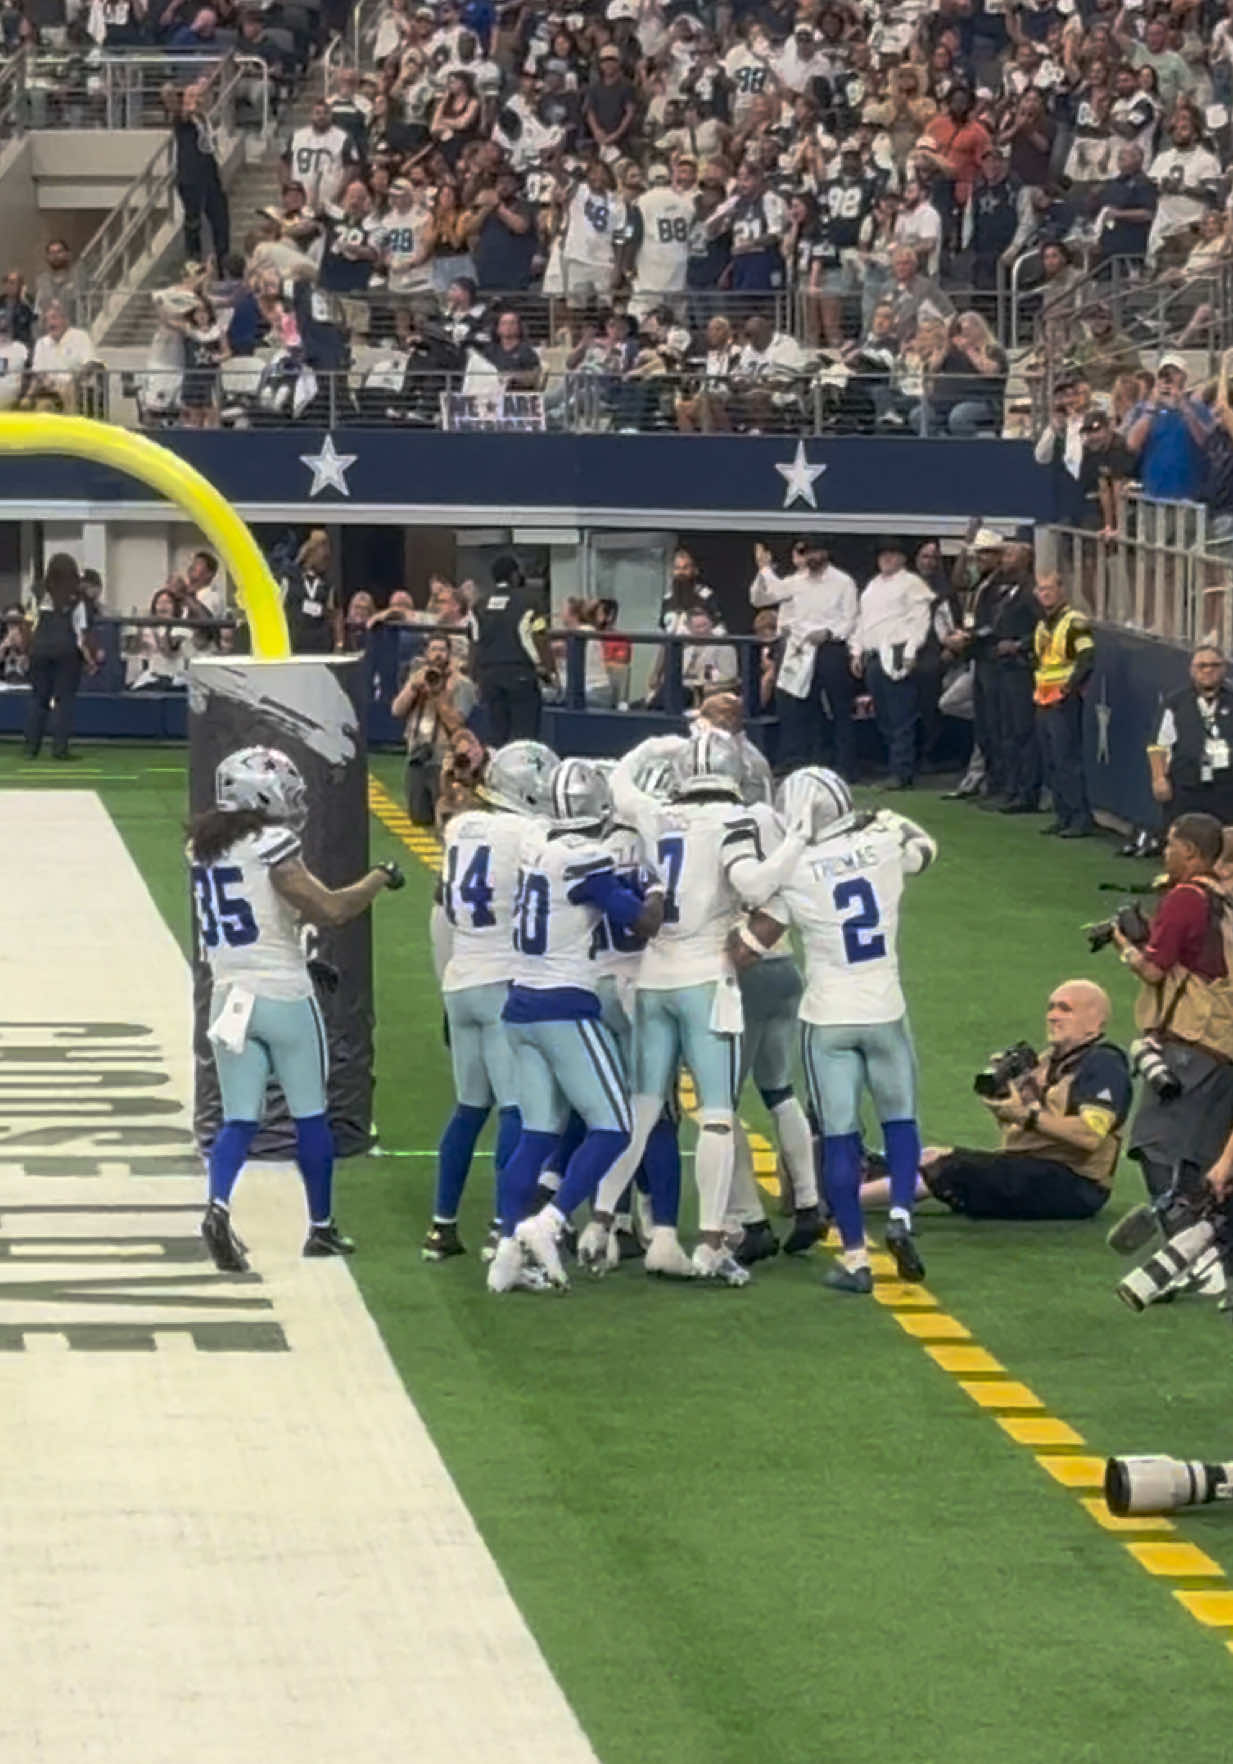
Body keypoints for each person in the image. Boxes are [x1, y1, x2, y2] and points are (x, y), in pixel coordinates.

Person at [578, 730, 800, 1284]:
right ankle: (708, 1243)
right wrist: (797, 842)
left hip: (654, 976)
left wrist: (649, 744)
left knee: (642, 1109)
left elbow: (621, 784)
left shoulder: (658, 815)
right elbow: (752, 882)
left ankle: (600, 1225)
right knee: (718, 1116)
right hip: (706, 977)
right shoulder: (734, 821)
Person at [191, 746, 404, 1271]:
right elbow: (331, 909)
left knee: (239, 1118)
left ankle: (217, 1205)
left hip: (229, 996)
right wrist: (380, 876)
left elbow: (257, 925)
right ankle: (321, 1228)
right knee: (312, 1115)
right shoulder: (272, 844)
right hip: (283, 997)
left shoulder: (202, 848)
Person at [732, 768, 938, 1291]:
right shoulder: (883, 844)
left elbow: (750, 946)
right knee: (901, 1121)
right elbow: (926, 849)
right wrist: (888, 817)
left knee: (841, 1137)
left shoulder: (794, 870)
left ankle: (854, 1257)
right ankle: (899, 1218)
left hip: (828, 1018)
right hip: (886, 1009)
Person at [495, 758, 664, 1292]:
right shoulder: (586, 857)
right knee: (614, 1124)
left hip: (519, 1001)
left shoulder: (537, 846)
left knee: (537, 1132)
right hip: (563, 1004)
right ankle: (550, 1222)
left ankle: (506, 1248)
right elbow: (642, 921)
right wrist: (656, 887)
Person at [422, 738, 557, 1266]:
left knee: (469, 1108)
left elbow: (445, 891)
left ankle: (441, 1226)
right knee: (518, 1110)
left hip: (461, 979)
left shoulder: (460, 827)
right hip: (504, 980)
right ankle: (505, 1227)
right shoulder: (530, 833)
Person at [895, 981, 1130, 1220]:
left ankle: (862, 1200)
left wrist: (1026, 1115)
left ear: (1094, 1021)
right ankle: (866, 1180)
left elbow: (1089, 1135)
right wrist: (1008, 1100)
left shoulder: (1104, 1064)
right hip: (1035, 1166)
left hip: (1076, 1184)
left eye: (1065, 1009)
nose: (1052, 1016)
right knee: (930, 1155)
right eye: (1051, 1008)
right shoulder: (1049, 1061)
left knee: (949, 1168)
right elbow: (1018, 1132)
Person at [1115, 813, 1233, 1214]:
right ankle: (1212, 1253)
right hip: (1223, 1049)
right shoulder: (1225, 903)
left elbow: (1153, 969)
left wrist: (1126, 948)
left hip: (1188, 1043)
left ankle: (1181, 1241)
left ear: (1190, 852)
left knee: (1157, 1148)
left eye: (1170, 845)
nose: (1165, 853)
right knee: (1202, 1161)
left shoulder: (1185, 897)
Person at [751, 536, 859, 776]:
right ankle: (808, 762)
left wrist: (829, 632)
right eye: (807, 554)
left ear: (826, 554)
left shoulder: (843, 582)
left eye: (815, 553)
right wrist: (764, 569)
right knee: (801, 707)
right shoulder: (798, 581)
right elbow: (761, 597)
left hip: (830, 647)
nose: (811, 558)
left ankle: (846, 767)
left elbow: (851, 618)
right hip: (800, 651)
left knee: (839, 707)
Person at [851, 539, 933, 791]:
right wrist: (857, 652)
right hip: (874, 654)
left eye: (892, 554)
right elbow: (862, 621)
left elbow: (920, 620)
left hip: (898, 650)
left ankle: (902, 771)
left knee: (901, 715)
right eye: (882, 555)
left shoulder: (912, 584)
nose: (886, 559)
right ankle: (894, 766)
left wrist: (911, 650)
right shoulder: (872, 586)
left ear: (902, 559)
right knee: (884, 715)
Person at [467, 554, 556, 744]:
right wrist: (550, 671)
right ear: (515, 575)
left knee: (497, 734)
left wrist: (473, 676)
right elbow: (539, 636)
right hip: (520, 673)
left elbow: (474, 642)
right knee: (524, 737)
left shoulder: (478, 606)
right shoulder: (531, 602)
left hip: (488, 676)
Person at [391, 635, 477, 825]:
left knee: (446, 815)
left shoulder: (462, 684)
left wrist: (439, 694)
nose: (437, 655)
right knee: (419, 818)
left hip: (444, 757)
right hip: (417, 752)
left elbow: (456, 723)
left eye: (442, 650)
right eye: (433, 650)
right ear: (426, 654)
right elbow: (397, 710)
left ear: (449, 654)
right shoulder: (417, 678)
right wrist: (413, 687)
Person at [1033, 574, 1095, 839]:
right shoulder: (1043, 624)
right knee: (1051, 761)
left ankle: (1080, 818)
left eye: (1050, 589)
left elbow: (1087, 656)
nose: (1045, 593)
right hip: (1042, 698)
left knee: (1066, 759)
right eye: (1041, 589)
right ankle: (1063, 815)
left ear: (1062, 590)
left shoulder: (1075, 622)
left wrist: (1069, 688)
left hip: (1062, 700)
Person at [1148, 646, 1233, 825]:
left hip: (1227, 786)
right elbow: (1159, 745)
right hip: (1186, 786)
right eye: (1201, 666)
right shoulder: (1175, 703)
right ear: (1192, 670)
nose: (1208, 670)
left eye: (1214, 665)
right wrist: (1158, 778)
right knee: (1184, 838)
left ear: (1224, 668)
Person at [24, 552, 93, 761]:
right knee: (64, 702)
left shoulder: (37, 593)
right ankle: (59, 749)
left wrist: (29, 650)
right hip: (66, 652)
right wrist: (89, 659)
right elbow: (81, 634)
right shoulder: (77, 598)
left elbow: (28, 624)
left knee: (38, 699)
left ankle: (31, 749)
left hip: (40, 650)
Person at [281, 529, 339, 655]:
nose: (325, 563)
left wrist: (338, 644)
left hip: (320, 643)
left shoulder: (327, 585)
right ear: (310, 554)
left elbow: (334, 614)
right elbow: (279, 607)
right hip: (294, 641)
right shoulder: (291, 579)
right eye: (323, 558)